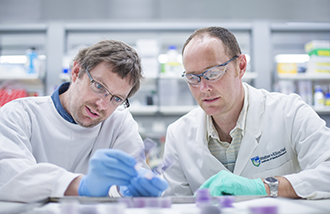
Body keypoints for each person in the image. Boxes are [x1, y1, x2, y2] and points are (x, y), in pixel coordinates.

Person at [162, 26, 330, 199]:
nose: (203, 88)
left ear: (240, 66)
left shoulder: (290, 112)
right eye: (192, 78)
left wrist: (265, 186)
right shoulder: (178, 134)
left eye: (213, 73)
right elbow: (178, 205)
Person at [0, 39, 168, 203]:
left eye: (116, 98)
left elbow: (130, 179)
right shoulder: (20, 114)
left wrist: (132, 190)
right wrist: (80, 186)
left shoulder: (119, 123)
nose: (102, 105)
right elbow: (8, 174)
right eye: (99, 87)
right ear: (76, 72)